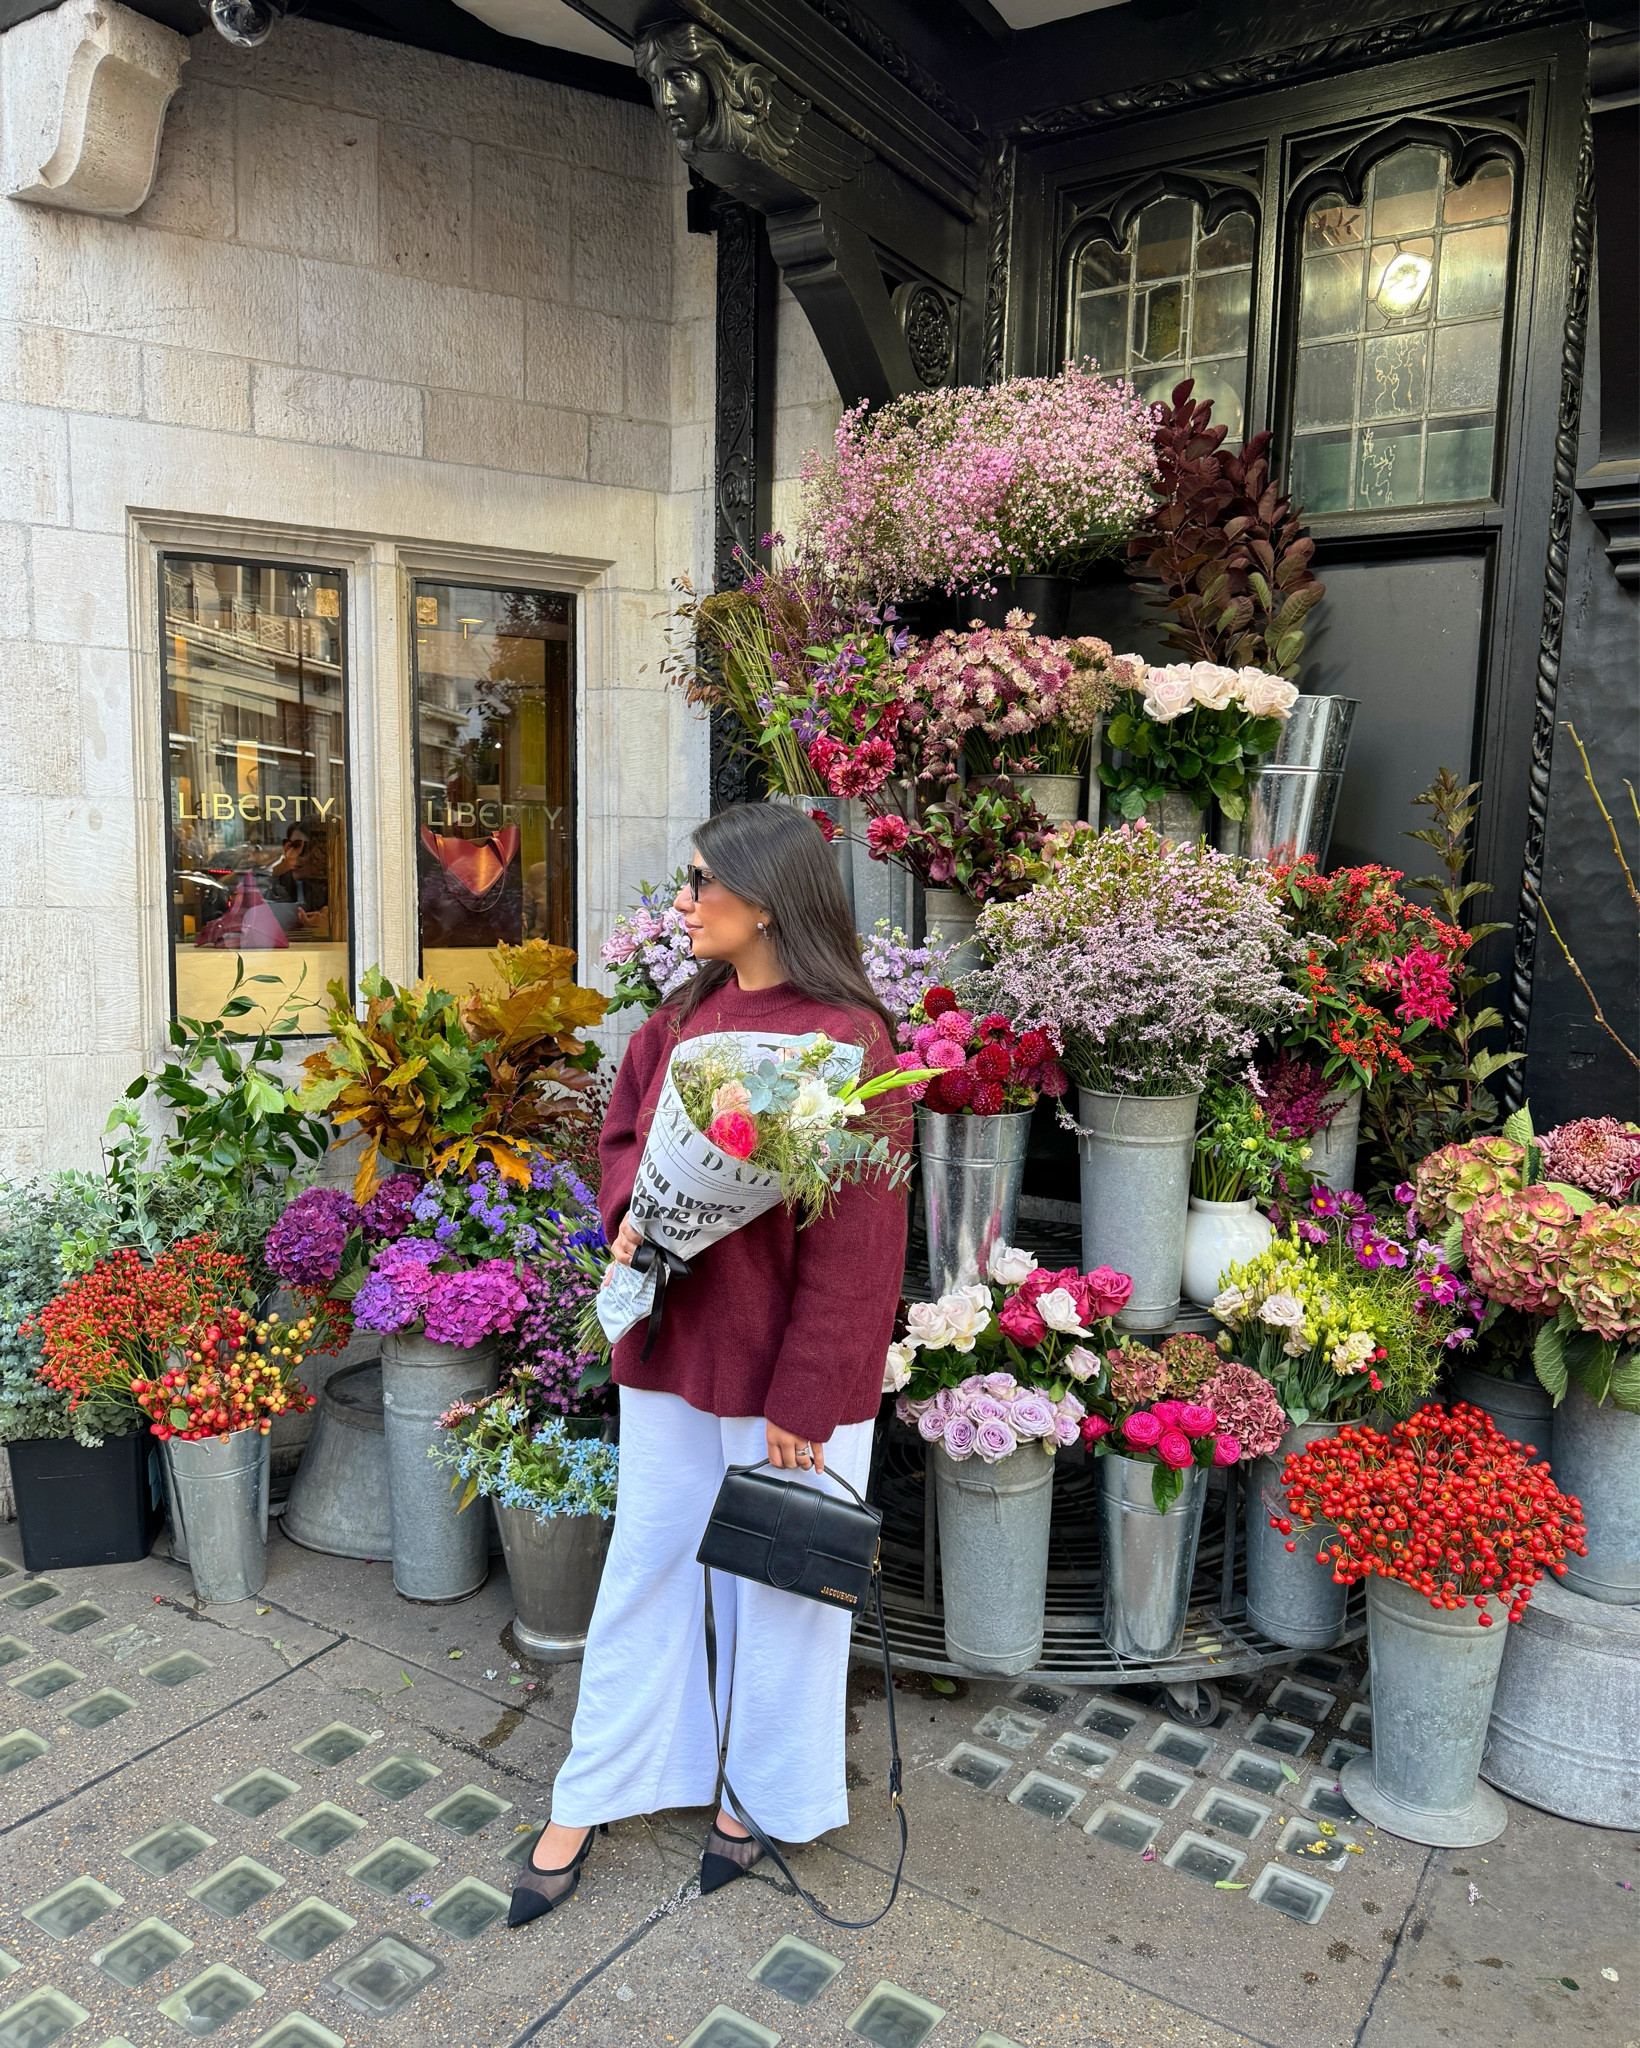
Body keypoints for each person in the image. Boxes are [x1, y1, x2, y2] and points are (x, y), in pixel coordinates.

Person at [509, 802, 910, 1927]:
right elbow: (625, 1134)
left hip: (786, 1369)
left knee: (777, 1590)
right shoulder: (684, 1013)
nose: (680, 904)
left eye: (698, 885)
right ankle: (596, 1786)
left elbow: (860, 1243)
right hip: (674, 1340)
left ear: (765, 899)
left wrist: (808, 1397)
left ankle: (756, 1793)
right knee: (646, 1559)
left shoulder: (849, 1041)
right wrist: (628, 1214)